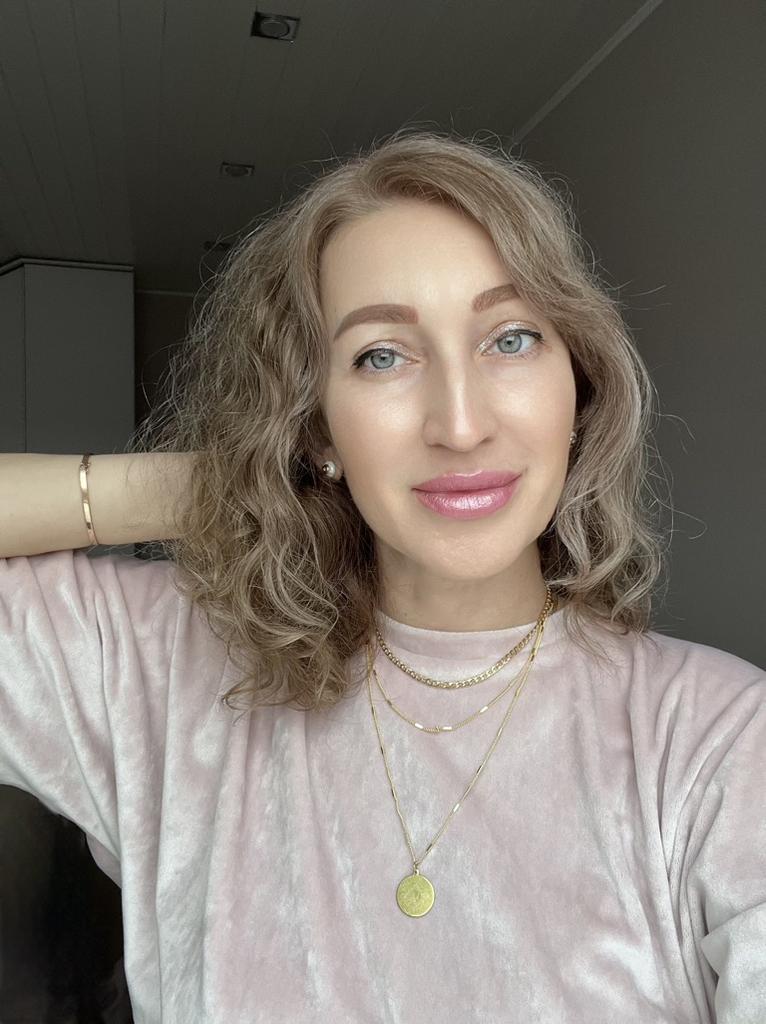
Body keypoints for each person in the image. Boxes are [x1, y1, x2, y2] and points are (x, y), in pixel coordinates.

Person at [0, 127, 763, 1023]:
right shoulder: (160, 668)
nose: (461, 424)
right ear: (315, 424)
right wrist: (218, 483)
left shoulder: (719, 739)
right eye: (381, 356)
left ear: (579, 386)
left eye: (511, 337)